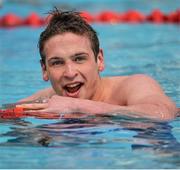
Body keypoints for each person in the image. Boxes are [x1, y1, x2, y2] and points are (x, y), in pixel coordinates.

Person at [19, 8, 177, 120]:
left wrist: (79, 107)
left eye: (79, 58)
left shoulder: (134, 85)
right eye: (57, 63)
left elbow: (162, 114)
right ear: (44, 70)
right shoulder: (47, 100)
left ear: (99, 60)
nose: (69, 72)